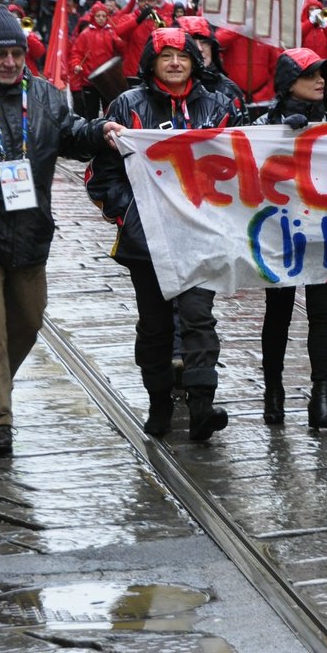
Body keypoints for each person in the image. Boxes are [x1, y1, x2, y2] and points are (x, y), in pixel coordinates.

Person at [0, 6, 116, 456]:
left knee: (28, 321)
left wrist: (102, 128)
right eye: (0, 55)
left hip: (30, 230)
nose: (11, 62)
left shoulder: (44, 96)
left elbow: (70, 133)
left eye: (17, 53)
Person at [87, 27, 238, 440]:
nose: (175, 62)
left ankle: (202, 402)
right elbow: (101, 176)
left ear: (195, 60)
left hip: (201, 234)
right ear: (151, 62)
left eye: (183, 55)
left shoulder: (220, 106)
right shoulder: (127, 105)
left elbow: (246, 163)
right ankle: (158, 402)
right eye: (166, 55)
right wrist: (131, 218)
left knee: (197, 316)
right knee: (155, 326)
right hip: (147, 241)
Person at [259, 48, 327, 428]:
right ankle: (273, 391)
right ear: (287, 82)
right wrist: (279, 136)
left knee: (322, 315)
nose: (320, 80)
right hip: (280, 233)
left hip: (326, 231)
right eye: (310, 74)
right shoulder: (262, 121)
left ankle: (322, 398)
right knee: (278, 314)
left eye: (322, 73)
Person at [67, 3, 123, 119]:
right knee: (91, 111)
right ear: (93, 17)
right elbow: (76, 53)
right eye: (98, 16)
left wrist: (120, 40)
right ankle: (92, 134)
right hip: (89, 80)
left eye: (104, 16)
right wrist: (76, 65)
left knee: (110, 110)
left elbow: (121, 51)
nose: (101, 18)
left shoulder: (112, 32)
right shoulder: (85, 34)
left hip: (108, 80)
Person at [111, 0, 170, 80]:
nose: (146, 3)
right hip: (133, 69)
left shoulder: (157, 19)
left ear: (154, 3)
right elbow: (120, 32)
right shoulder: (128, 17)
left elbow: (169, 35)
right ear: (138, 3)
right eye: (143, 0)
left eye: (149, 0)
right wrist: (139, 19)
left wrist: (159, 18)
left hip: (153, 69)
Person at [300, 0, 327, 66]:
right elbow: (298, 38)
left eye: (317, 9)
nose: (314, 12)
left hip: (324, 67)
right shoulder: (303, 25)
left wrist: (325, 25)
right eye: (311, 9)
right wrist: (310, 22)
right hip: (307, 65)